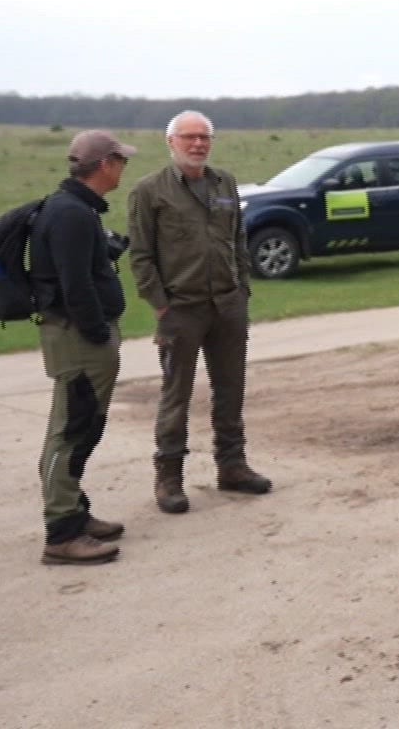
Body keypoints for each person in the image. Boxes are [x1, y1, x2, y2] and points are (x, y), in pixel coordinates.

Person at [127, 110, 272, 514]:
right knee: (176, 394)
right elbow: (141, 255)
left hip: (227, 305)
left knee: (231, 389)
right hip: (181, 309)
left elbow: (238, 238)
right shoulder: (149, 190)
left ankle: (232, 466)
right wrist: (159, 304)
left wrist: (242, 289)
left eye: (204, 137)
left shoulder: (223, 182)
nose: (198, 144)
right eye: (189, 137)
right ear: (170, 142)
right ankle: (169, 478)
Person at [30, 129, 137, 565]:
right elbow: (74, 286)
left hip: (80, 336)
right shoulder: (71, 213)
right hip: (78, 339)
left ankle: (75, 511)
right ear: (105, 164)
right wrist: (97, 332)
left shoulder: (76, 209)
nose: (124, 168)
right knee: (70, 432)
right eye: (121, 160)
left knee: (81, 427)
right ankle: (61, 534)